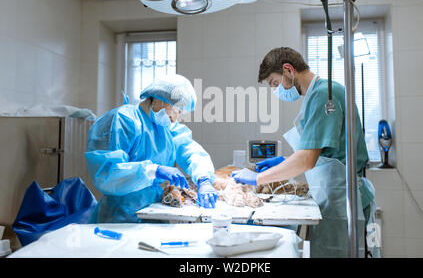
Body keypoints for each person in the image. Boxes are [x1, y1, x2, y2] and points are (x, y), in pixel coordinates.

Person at [232, 47, 379, 258]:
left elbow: (307, 160)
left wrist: (258, 178)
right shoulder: (316, 95)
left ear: (288, 70)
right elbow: (320, 153)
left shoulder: (324, 95)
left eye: (275, 83)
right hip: (333, 196)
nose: (277, 90)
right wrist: (284, 161)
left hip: (342, 200)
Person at [85, 74, 218, 223]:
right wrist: (153, 170)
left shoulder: (167, 129)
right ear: (160, 99)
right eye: (177, 110)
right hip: (119, 217)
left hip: (154, 212)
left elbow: (190, 151)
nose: (176, 117)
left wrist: (204, 179)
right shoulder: (125, 120)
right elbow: (107, 173)